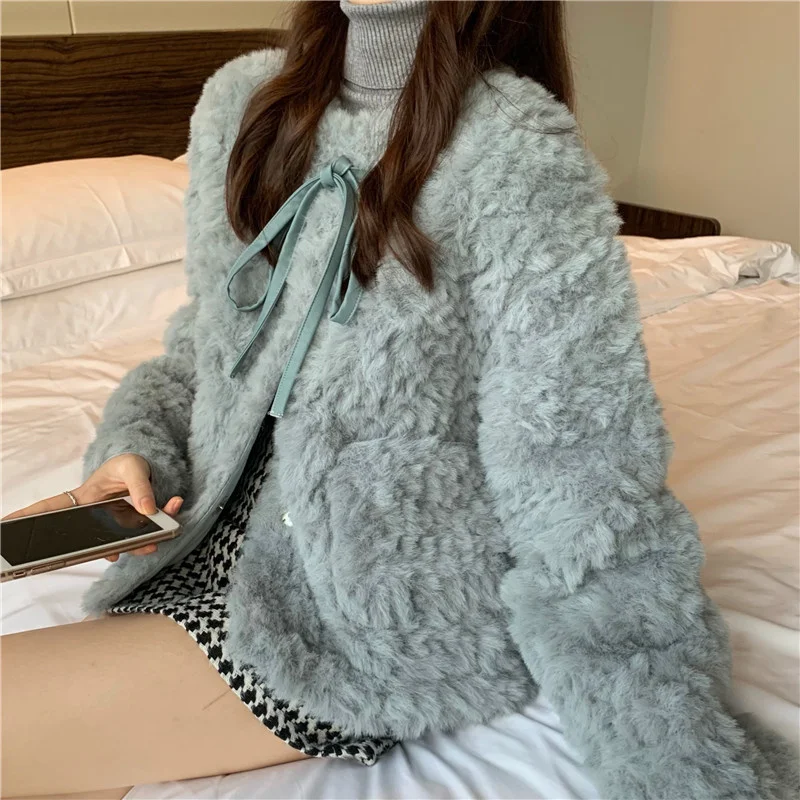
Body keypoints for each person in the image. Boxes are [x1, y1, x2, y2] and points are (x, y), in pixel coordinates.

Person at [2, 1, 797, 798]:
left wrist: (675, 756)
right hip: (198, 546)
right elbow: (205, 349)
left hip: (363, 612)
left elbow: (578, 464)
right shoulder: (245, 108)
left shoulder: (516, 151)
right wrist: (136, 449)